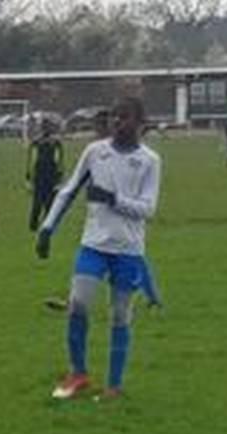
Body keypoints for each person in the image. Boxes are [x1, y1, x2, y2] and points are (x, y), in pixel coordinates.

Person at [36, 99, 162, 403]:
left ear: (140, 123)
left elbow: (148, 209)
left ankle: (114, 386)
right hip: (93, 245)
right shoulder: (95, 152)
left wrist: (112, 199)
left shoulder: (150, 161)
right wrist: (47, 228)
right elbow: (68, 190)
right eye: (115, 117)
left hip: (128, 250)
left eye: (125, 118)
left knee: (120, 315)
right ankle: (78, 373)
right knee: (78, 304)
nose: (118, 122)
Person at [27, 119, 64, 231]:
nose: (46, 129)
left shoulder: (55, 142)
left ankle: (47, 224)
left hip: (51, 173)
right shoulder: (37, 141)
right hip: (40, 173)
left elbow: (60, 159)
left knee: (50, 202)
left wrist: (60, 176)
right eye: (44, 127)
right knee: (37, 202)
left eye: (48, 127)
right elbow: (30, 158)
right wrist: (28, 176)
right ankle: (33, 225)